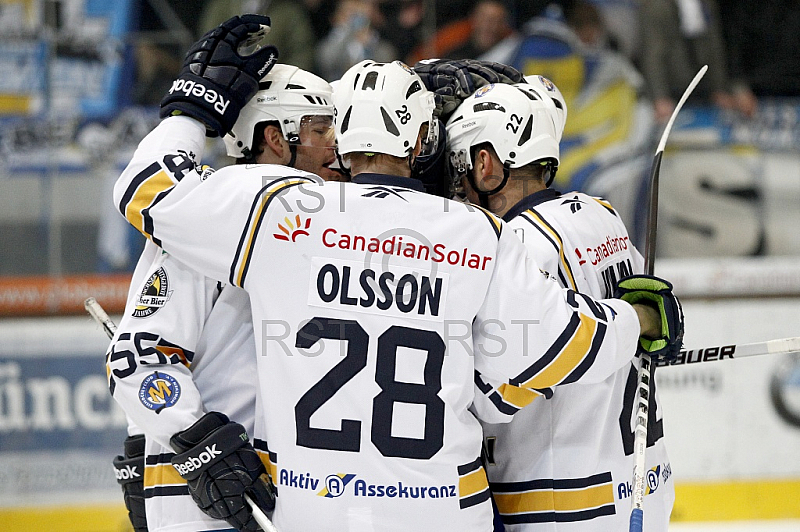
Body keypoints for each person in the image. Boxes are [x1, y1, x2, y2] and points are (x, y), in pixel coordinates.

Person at [109, 17, 683, 531]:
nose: (330, 146)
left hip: (308, 508)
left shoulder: (276, 213)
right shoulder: (470, 231)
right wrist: (634, 319)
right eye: (317, 128)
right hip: (439, 508)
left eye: (336, 130)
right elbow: (562, 344)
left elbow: (146, 190)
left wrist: (189, 112)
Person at [108, 58, 340, 532]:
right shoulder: (218, 217)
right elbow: (139, 357)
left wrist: (144, 437)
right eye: (321, 129)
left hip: (297, 495)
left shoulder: (325, 221)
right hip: (213, 503)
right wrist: (195, 438)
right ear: (276, 137)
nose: (337, 147)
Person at [445, 79, 674, 530]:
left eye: (460, 164)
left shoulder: (513, 245)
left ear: (486, 165)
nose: (456, 184)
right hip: (641, 485)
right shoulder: (600, 214)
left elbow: (494, 397)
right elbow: (647, 329)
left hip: (558, 499)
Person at [637, 0, 757, 121]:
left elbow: (714, 45)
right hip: (674, 89)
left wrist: (719, 88)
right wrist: (660, 97)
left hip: (704, 87)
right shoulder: (656, 6)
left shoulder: (706, 4)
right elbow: (653, 54)